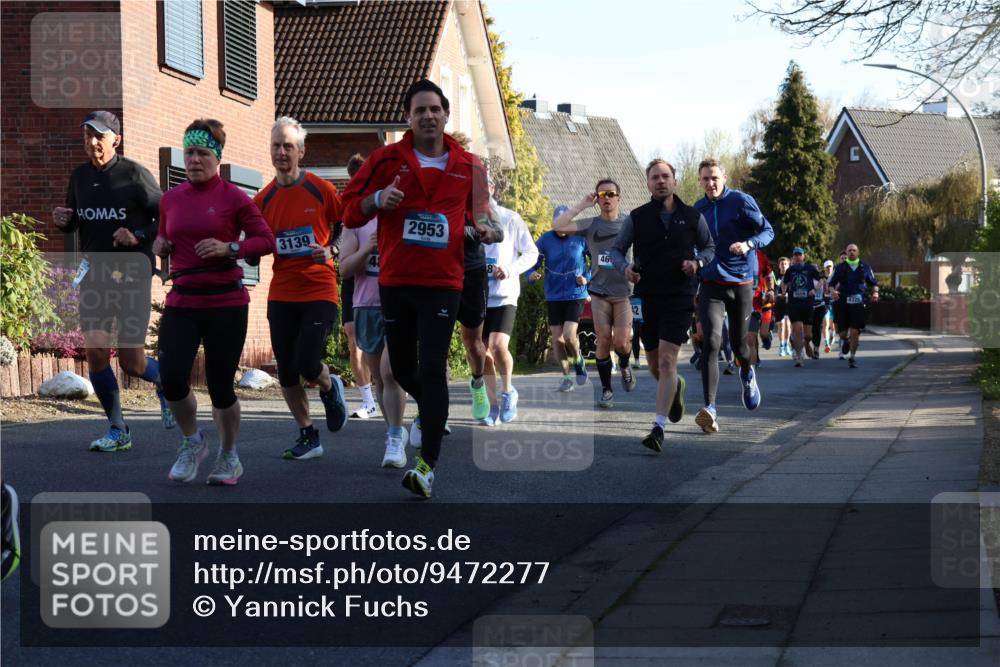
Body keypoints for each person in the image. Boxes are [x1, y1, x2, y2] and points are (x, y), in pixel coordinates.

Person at [341, 80, 496, 499]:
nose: (428, 116)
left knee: (431, 367)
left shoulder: (470, 165)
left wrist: (488, 229)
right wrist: (376, 200)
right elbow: (348, 208)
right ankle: (433, 408)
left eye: (434, 109)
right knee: (401, 369)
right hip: (395, 279)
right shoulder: (385, 159)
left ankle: (427, 466)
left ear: (446, 115)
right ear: (408, 118)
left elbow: (483, 215)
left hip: (444, 281)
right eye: (419, 110)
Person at [153, 119, 276, 486]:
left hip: (225, 301)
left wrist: (230, 248)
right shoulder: (171, 199)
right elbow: (164, 237)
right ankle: (193, 442)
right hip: (183, 299)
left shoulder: (235, 198)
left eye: (202, 153)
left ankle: (229, 455)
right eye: (188, 152)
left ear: (217, 157)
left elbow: (265, 240)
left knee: (221, 385)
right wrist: (160, 247)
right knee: (172, 378)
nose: (193, 160)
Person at [52, 110, 175, 452]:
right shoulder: (79, 177)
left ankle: (164, 382)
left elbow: (166, 216)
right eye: (87, 136)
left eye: (99, 137)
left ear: (115, 140)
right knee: (94, 353)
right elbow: (76, 220)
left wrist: (137, 234)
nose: (92, 143)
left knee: (131, 361)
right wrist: (64, 220)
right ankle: (118, 429)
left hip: (131, 273)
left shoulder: (134, 174)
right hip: (95, 274)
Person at [254, 117, 349, 461]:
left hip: (319, 288)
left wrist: (333, 249)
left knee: (308, 362)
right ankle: (308, 434)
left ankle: (329, 384)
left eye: (288, 146)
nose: (281, 152)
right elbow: (257, 241)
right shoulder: (263, 199)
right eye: (276, 146)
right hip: (282, 291)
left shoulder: (320, 189)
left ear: (301, 151)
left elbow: (344, 225)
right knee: (287, 370)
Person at [610, 159, 714, 451]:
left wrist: (697, 262)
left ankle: (658, 428)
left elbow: (710, 248)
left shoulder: (693, 217)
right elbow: (617, 250)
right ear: (648, 184)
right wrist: (625, 269)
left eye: (665, 176)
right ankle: (675, 387)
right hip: (647, 296)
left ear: (675, 181)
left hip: (680, 296)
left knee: (668, 361)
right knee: (656, 366)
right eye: (655, 177)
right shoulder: (637, 217)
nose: (660, 181)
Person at [692, 159, 773, 433]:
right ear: (700, 181)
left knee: (740, 346)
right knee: (711, 341)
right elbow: (693, 244)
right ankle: (710, 408)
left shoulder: (741, 201)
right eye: (705, 179)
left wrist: (749, 244)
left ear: (724, 177)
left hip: (740, 281)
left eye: (714, 178)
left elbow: (767, 231)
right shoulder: (698, 209)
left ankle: (747, 373)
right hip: (711, 282)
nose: (710, 183)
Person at [338, 209, 411, 467]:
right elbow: (344, 268)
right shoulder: (356, 221)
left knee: (390, 372)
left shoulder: (406, 216)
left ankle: (393, 439)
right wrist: (367, 249)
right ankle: (394, 430)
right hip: (367, 306)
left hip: (400, 304)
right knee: (380, 378)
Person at [554, 178, 636, 408]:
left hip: (622, 293)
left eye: (611, 194)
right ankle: (607, 390)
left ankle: (625, 363)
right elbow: (558, 226)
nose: (607, 198)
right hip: (599, 292)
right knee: (602, 339)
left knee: (620, 343)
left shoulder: (630, 223)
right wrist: (582, 204)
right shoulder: (590, 223)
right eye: (602, 195)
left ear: (619, 197)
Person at [481, 183, 538, 424]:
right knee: (481, 353)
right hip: (478, 296)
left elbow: (531, 253)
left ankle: (508, 392)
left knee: (497, 346)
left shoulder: (510, 218)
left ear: (492, 188)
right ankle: (492, 406)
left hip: (504, 295)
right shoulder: (465, 218)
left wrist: (510, 269)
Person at [528, 207, 591, 393]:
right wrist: (531, 274)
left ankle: (578, 360)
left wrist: (587, 277)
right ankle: (566, 378)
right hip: (554, 295)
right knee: (557, 339)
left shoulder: (581, 238)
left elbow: (594, 260)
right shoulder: (545, 240)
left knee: (570, 335)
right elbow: (533, 261)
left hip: (575, 293)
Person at [343, 153, 379, 420]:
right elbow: (337, 236)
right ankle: (368, 401)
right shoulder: (348, 208)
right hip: (353, 281)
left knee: (386, 357)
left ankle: (388, 393)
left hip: (382, 287)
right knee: (353, 341)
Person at [828, 243, 880, 368]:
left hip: (859, 302)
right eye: (849, 250)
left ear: (858, 252)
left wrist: (876, 292)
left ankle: (852, 357)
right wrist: (833, 291)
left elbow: (873, 283)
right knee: (842, 334)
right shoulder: (840, 267)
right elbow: (831, 284)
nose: (851, 252)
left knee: (855, 331)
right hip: (843, 303)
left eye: (854, 250)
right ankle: (845, 341)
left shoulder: (865, 267)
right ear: (846, 252)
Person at [781, 247, 823, 368]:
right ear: (793, 257)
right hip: (794, 304)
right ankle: (799, 358)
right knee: (798, 330)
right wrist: (784, 291)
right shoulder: (790, 270)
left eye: (800, 255)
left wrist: (815, 289)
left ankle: (806, 344)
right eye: (796, 255)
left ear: (803, 256)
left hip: (807, 304)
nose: (798, 257)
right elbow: (785, 282)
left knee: (808, 335)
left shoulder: (810, 268)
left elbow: (821, 280)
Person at [747, 249, 776, 368]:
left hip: (758, 303)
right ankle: (752, 360)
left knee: (753, 336)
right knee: (747, 338)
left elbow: (769, 275)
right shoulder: (731, 252)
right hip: (738, 303)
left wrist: (771, 290)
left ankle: (750, 374)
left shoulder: (760, 255)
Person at [773, 256, 791, 356]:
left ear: (788, 265)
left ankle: (786, 344)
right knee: (781, 324)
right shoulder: (775, 278)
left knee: (788, 325)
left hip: (789, 304)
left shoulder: (792, 276)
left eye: (785, 264)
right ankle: (781, 346)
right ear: (779, 266)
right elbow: (773, 291)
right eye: (782, 264)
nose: (783, 265)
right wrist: (777, 295)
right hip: (779, 304)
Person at [821, 259, 836, 353]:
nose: (829, 269)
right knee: (825, 324)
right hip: (824, 304)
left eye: (830, 267)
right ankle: (827, 344)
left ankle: (832, 335)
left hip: (834, 304)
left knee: (833, 325)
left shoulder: (836, 278)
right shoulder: (822, 279)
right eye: (827, 267)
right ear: (824, 268)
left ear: (833, 267)